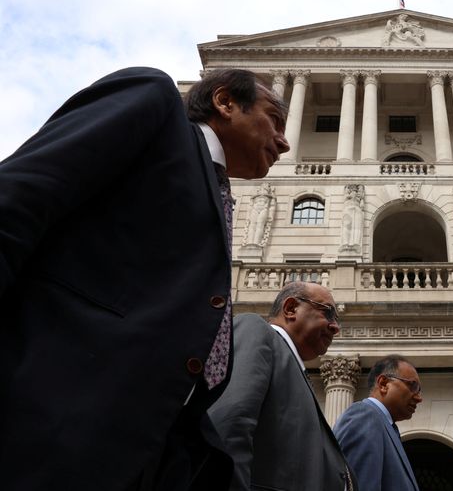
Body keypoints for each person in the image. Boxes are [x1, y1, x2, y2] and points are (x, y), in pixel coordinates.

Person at [0, 67, 289, 490]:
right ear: (226, 103)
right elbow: (18, 199)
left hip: (136, 450)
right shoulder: (154, 103)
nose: (284, 141)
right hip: (45, 419)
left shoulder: (219, 191)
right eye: (274, 120)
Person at [208, 281, 356, 491]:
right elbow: (229, 425)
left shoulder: (294, 369)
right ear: (291, 309)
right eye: (328, 313)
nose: (336, 327)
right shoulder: (257, 331)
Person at [334, 355, 423, 491]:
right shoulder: (364, 417)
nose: (419, 398)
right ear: (383, 384)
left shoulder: (386, 427)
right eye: (413, 386)